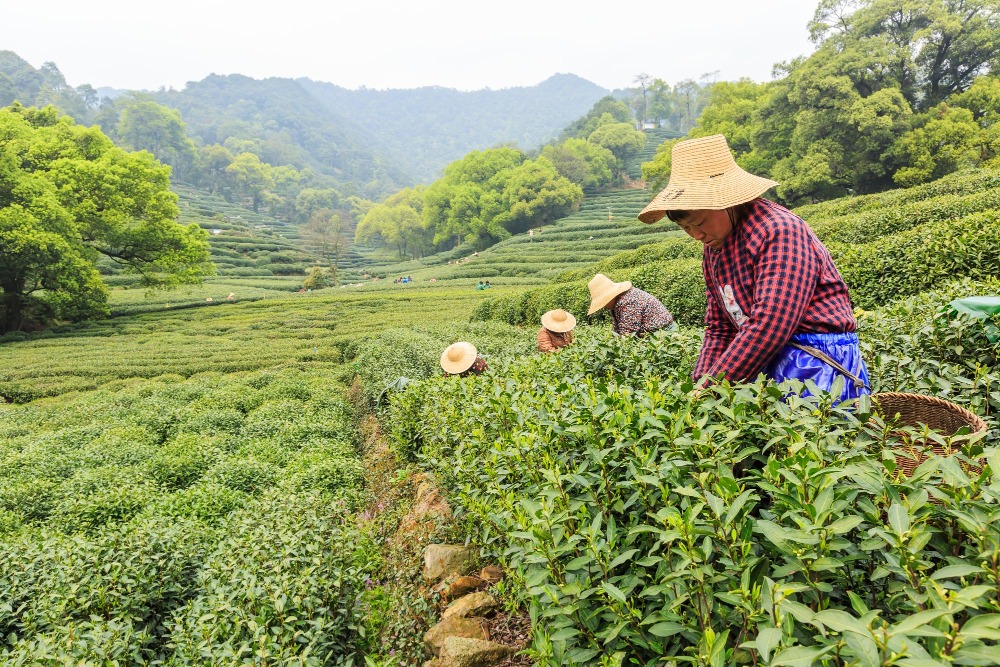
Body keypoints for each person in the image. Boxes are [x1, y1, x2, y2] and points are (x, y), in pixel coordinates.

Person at [636, 134, 869, 402]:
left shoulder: (780, 231)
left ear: (726, 201)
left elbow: (771, 322)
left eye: (699, 223)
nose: (696, 235)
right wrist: (700, 382)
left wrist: (716, 383)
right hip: (763, 356)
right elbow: (720, 326)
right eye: (686, 228)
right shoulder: (715, 248)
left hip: (816, 361)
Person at [588, 274, 676, 336]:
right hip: (651, 334)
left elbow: (627, 335)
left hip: (665, 333)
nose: (603, 306)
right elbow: (617, 329)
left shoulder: (629, 301)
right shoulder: (617, 303)